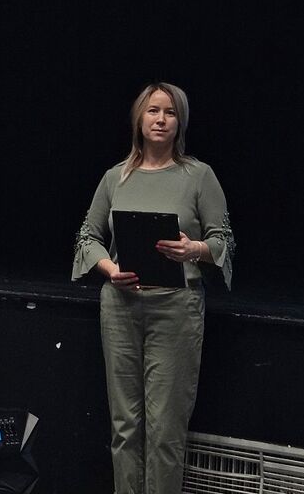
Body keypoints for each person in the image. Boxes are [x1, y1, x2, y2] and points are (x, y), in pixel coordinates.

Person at [71, 82, 235, 494]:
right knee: (124, 426)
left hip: (175, 308)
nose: (161, 119)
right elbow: (87, 237)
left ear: (180, 122)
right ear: (139, 119)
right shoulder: (115, 177)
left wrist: (194, 249)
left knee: (165, 430)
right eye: (153, 111)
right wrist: (110, 269)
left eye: (170, 112)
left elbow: (223, 241)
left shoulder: (198, 176)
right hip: (121, 306)